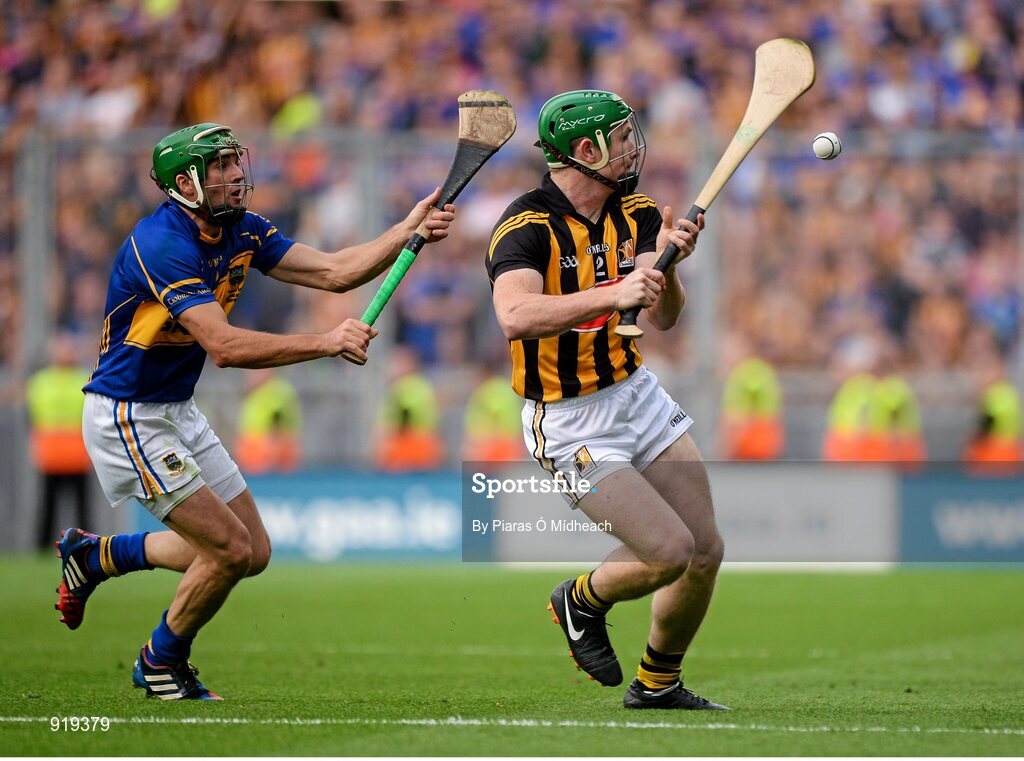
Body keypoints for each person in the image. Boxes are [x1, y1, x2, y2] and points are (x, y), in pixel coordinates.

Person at [54, 123, 454, 700]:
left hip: (175, 408)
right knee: (228, 550)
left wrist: (405, 230)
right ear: (185, 183)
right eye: (218, 167)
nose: (236, 174)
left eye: (234, 162)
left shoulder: (243, 228)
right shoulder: (161, 244)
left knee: (252, 552)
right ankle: (161, 660)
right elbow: (225, 347)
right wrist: (325, 341)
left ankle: (96, 555)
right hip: (128, 415)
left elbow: (335, 270)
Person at [486, 91, 726, 710]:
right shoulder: (524, 227)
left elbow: (662, 316)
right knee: (668, 553)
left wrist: (668, 267)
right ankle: (580, 600)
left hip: (636, 394)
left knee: (705, 550)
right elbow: (515, 316)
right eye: (621, 139)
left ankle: (658, 683)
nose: (634, 148)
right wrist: (612, 293)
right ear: (585, 151)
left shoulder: (638, 210)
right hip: (568, 420)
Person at [26, 331, 92, 550]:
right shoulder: (82, 380)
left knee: (77, 507)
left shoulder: (42, 382)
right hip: (56, 454)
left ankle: (83, 545)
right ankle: (49, 546)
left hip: (73, 454)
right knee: (51, 507)